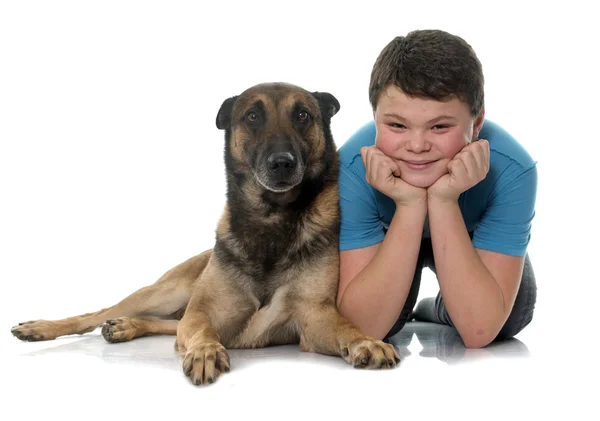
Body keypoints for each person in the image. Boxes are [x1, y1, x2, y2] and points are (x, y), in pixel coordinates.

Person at [336, 29, 537, 349]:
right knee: (387, 323)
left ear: (477, 121)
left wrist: (444, 200)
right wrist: (409, 204)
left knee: (511, 316)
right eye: (397, 125)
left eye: (440, 126)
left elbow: (479, 331)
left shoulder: (513, 168)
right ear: (375, 117)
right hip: (391, 236)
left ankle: (437, 309)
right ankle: (419, 304)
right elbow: (362, 328)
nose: (417, 146)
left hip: (470, 239)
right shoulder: (349, 167)